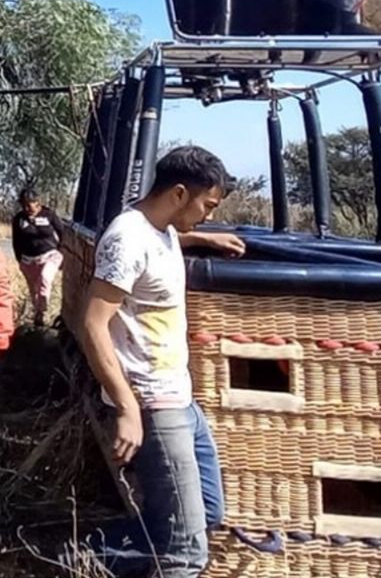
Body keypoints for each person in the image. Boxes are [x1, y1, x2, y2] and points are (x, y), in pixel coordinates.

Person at [78, 146, 246, 577]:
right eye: (207, 206)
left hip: (181, 400)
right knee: (186, 553)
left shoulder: (161, 230)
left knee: (207, 511)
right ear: (178, 193)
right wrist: (127, 407)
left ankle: (88, 555)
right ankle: (87, 558)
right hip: (152, 403)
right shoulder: (127, 239)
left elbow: (157, 246)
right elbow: (93, 323)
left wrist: (202, 239)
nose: (209, 216)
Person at [11, 187, 64, 327]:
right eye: (23, 205)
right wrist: (19, 260)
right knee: (34, 290)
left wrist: (62, 251)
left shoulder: (49, 215)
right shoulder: (19, 219)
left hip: (49, 255)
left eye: (29, 204)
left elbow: (62, 232)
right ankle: (38, 316)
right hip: (28, 260)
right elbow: (16, 241)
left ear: (37, 202)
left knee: (45, 279)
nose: (26, 208)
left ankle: (43, 311)